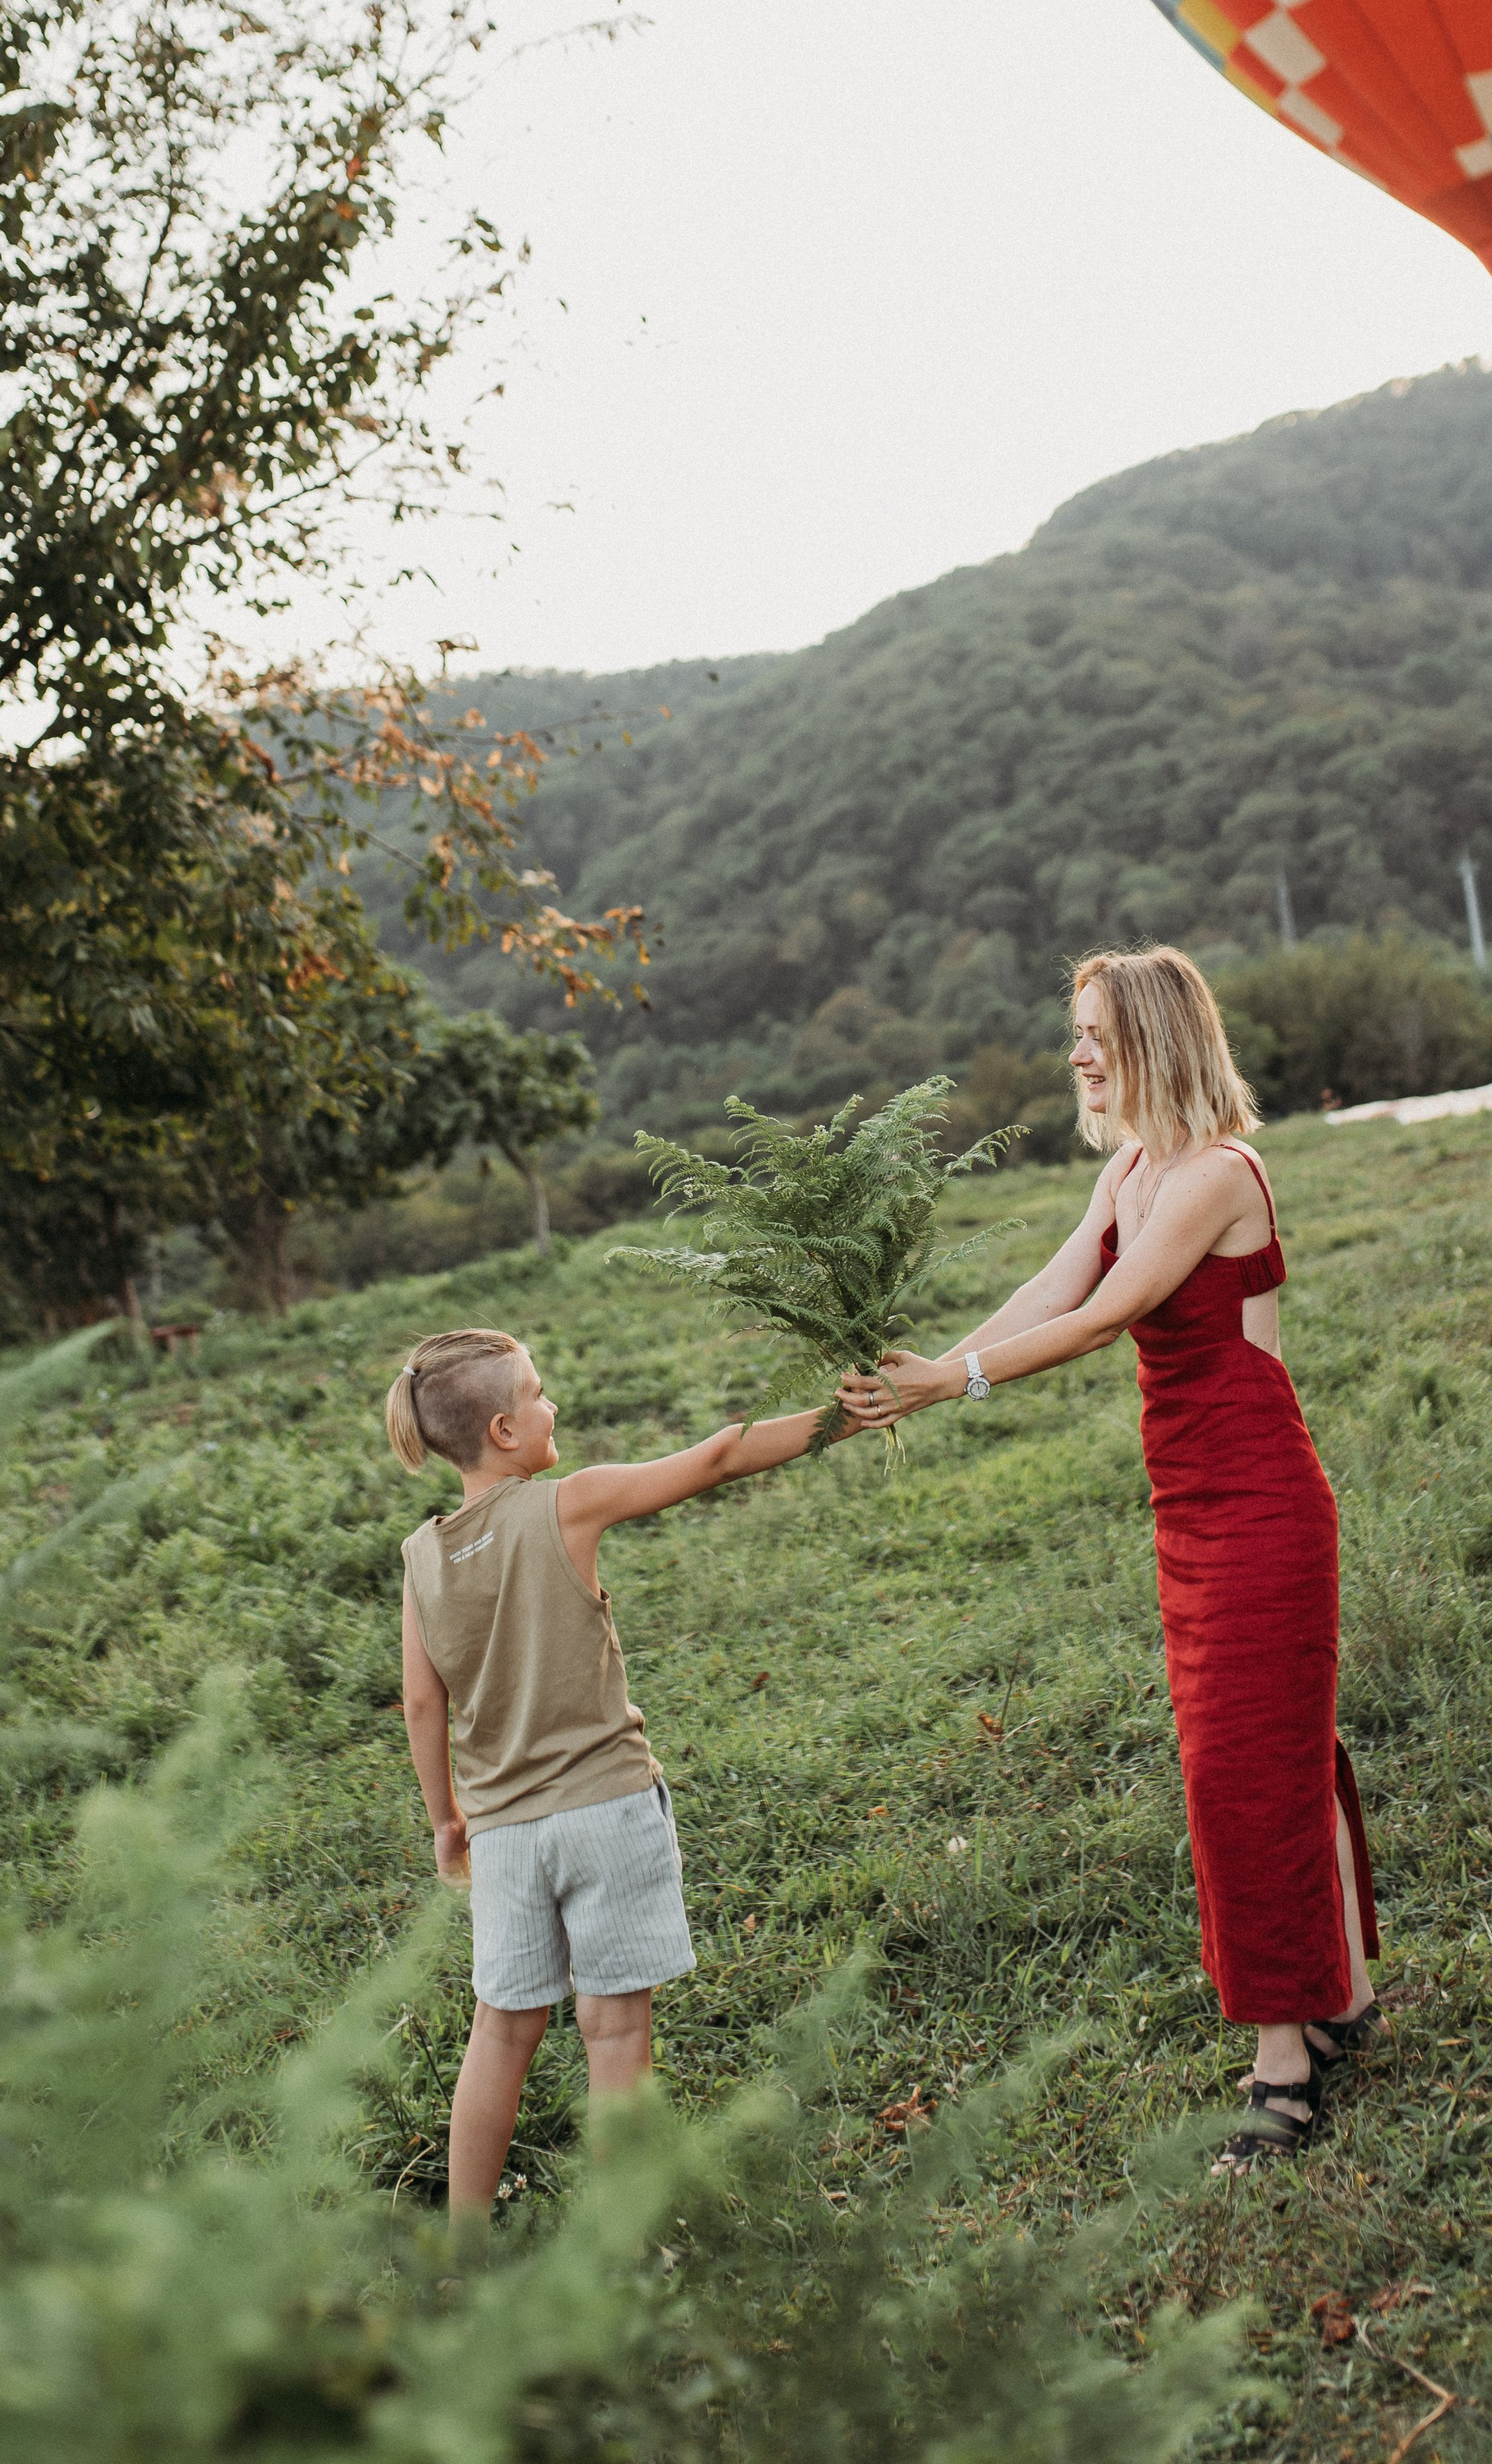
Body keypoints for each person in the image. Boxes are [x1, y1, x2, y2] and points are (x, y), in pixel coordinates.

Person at [838, 945, 1380, 2173]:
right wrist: (927, 1376)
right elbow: (1053, 1280)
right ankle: (1343, 1998)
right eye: (1074, 1030)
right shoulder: (1135, 1166)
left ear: (1153, 1035)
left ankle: (1284, 2062)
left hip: (1261, 1504)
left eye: (1095, 1031)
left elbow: (1106, 1313)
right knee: (1274, 1748)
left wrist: (956, 1377)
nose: (1078, 1053)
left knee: (1240, 1766)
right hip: (1190, 1501)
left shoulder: (1216, 1173)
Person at [392, 1328, 896, 2223]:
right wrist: (844, 1416)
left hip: (503, 1833)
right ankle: (620, 2246)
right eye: (540, 1393)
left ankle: (460, 2246)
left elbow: (421, 1706)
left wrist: (446, 1817)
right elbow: (718, 1458)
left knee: (499, 2034)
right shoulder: (566, 1504)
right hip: (606, 1810)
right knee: (616, 2030)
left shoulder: (421, 1558)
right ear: (506, 1430)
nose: (555, 1408)